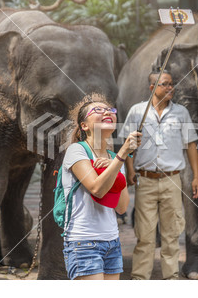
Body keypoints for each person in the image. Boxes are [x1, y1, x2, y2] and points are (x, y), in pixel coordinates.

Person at [119, 70, 198, 280]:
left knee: (171, 234)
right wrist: (130, 170)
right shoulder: (137, 112)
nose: (170, 88)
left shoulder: (181, 113)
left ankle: (171, 277)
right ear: (152, 88)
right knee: (144, 235)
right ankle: (140, 278)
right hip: (145, 180)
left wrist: (196, 177)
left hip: (172, 180)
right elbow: (128, 145)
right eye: (165, 84)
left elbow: (191, 145)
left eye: (171, 84)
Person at [62, 94, 142, 280]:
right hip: (83, 242)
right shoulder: (77, 150)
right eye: (98, 110)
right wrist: (122, 155)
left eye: (110, 110)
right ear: (84, 125)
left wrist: (115, 166)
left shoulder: (114, 158)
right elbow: (96, 189)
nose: (107, 112)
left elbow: (121, 207)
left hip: (112, 242)